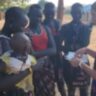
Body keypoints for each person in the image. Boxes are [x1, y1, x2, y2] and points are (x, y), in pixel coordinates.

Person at [60, 3, 92, 96]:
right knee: (71, 88)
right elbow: (59, 44)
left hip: (82, 60)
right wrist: (67, 53)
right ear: (71, 13)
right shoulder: (65, 27)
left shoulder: (86, 28)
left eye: (79, 13)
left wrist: (71, 48)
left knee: (84, 88)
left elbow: (85, 43)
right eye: (74, 12)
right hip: (69, 61)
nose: (77, 15)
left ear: (82, 13)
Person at [0, 7, 32, 96]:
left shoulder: (13, 39)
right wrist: (31, 69)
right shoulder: (3, 42)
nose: (24, 30)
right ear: (11, 22)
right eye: (22, 26)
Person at [27, 4, 56, 96]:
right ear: (29, 16)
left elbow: (54, 49)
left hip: (47, 65)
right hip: (34, 66)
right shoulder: (25, 32)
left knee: (50, 90)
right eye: (35, 16)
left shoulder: (46, 29)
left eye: (40, 16)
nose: (39, 19)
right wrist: (42, 54)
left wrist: (35, 53)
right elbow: (28, 54)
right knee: (37, 90)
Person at [70, 2, 96, 96]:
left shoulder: (86, 28)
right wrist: (87, 50)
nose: (91, 17)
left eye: (93, 14)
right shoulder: (66, 27)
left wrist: (80, 63)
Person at [43, 2, 66, 96]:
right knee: (49, 81)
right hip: (46, 57)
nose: (50, 15)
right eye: (48, 13)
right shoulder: (41, 24)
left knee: (60, 81)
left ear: (55, 12)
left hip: (57, 56)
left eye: (52, 13)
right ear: (44, 12)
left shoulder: (57, 23)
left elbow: (60, 39)